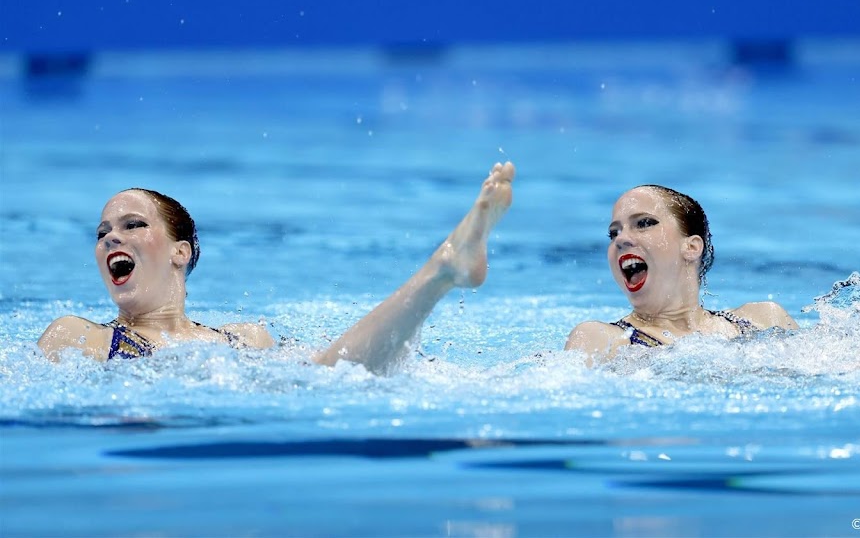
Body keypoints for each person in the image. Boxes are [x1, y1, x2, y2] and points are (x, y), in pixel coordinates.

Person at [36, 162, 516, 374]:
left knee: (331, 371)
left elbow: (331, 367)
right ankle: (442, 268)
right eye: (102, 234)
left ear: (180, 252)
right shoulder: (80, 337)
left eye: (132, 224)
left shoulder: (247, 338)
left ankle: (442, 270)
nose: (110, 238)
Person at [565, 168, 860, 366]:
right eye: (614, 232)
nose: (623, 237)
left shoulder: (762, 319)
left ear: (691, 247)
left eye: (644, 223)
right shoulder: (600, 338)